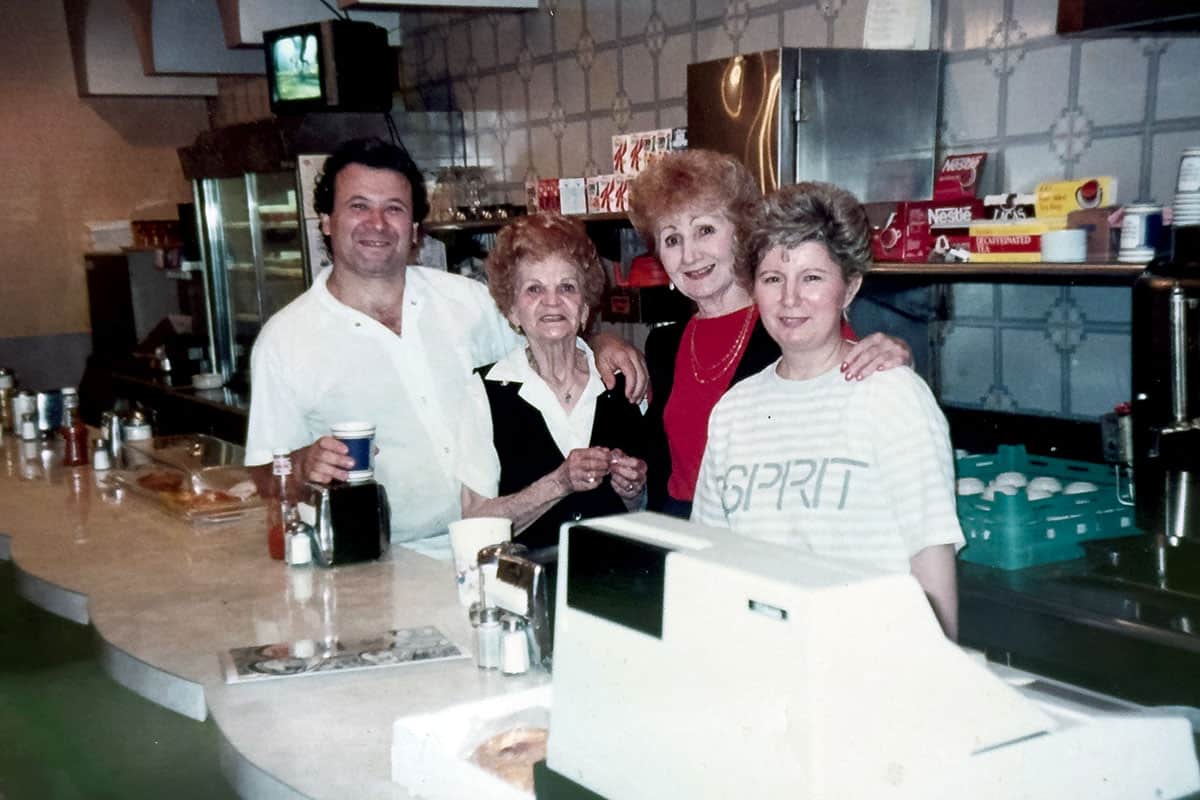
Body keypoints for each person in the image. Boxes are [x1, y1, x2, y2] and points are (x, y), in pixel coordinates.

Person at [244, 138, 646, 542]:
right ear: (326, 221)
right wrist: (300, 466)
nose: (378, 224)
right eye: (359, 206)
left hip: (488, 543)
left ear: (415, 228)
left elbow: (546, 333)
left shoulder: (467, 301)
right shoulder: (286, 340)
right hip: (380, 554)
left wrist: (598, 342)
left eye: (394, 209)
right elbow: (264, 477)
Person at [691, 181, 963, 639]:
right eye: (773, 279)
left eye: (812, 278)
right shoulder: (734, 411)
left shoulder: (893, 397)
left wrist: (935, 681)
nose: (790, 299)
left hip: (869, 665)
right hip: (763, 664)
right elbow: (711, 559)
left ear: (850, 287)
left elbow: (931, 565)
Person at [627, 150, 912, 519]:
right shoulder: (663, 345)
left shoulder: (790, 322)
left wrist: (899, 355)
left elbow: (864, 397)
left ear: (740, 235)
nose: (689, 254)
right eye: (672, 239)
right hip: (680, 527)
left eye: (705, 230)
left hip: (770, 529)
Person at [455, 214, 648, 550]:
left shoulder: (623, 380)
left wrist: (633, 492)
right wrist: (558, 483)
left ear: (585, 308)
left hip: (617, 583)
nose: (552, 301)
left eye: (567, 287)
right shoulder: (486, 391)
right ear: (512, 311)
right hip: (529, 587)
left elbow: (645, 511)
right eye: (534, 289)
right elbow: (476, 522)